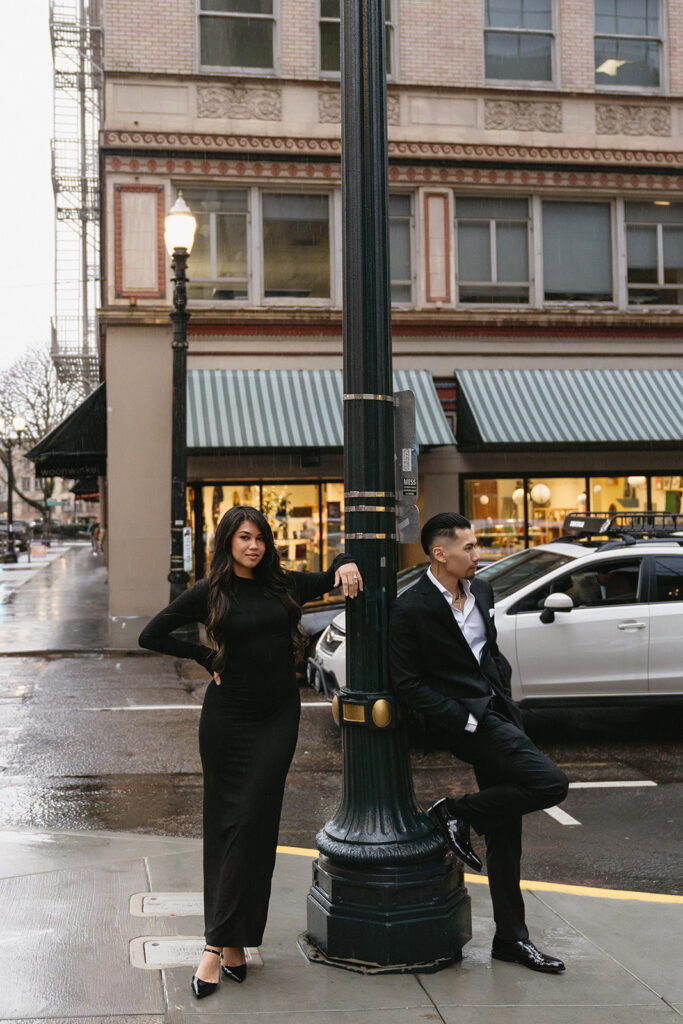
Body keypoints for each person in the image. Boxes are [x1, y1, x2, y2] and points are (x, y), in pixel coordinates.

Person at [138, 505, 362, 999]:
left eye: (259, 537)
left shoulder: (284, 584)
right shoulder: (210, 591)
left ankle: (235, 940)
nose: (253, 546)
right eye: (243, 537)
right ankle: (220, 945)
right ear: (228, 542)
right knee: (229, 827)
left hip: (277, 719)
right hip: (227, 721)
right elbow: (151, 634)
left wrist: (345, 559)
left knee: (257, 825)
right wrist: (204, 655)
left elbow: (333, 571)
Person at [389, 512, 568, 974]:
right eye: (468, 547)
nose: (478, 554)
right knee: (550, 784)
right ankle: (452, 812)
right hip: (465, 722)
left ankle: (511, 938)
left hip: (498, 712)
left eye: (476, 545)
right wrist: (462, 719)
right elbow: (407, 683)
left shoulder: (482, 591)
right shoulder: (411, 608)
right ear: (439, 554)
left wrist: (502, 695)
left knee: (507, 833)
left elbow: (487, 651)